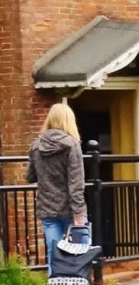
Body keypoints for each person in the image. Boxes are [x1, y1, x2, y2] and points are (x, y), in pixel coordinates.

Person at [27, 102, 87, 274]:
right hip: (70, 208)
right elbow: (76, 183)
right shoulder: (71, 144)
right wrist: (78, 215)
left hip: (47, 208)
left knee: (54, 254)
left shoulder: (36, 145)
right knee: (79, 253)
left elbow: (31, 176)